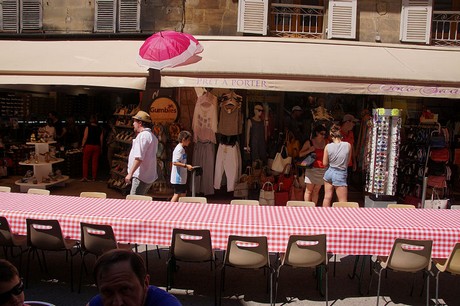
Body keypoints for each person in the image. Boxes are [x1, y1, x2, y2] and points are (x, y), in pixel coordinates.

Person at [86, 249, 181, 306]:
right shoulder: (98, 302)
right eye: (107, 292)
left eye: (125, 289)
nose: (117, 303)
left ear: (145, 283)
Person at [125, 111, 158, 195]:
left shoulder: (143, 136)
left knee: (134, 203)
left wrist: (130, 173)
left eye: (134, 121)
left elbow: (139, 158)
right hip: (147, 175)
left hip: (141, 176)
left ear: (140, 123)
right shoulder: (152, 136)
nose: (133, 124)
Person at [322, 124, 351, 207]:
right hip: (340, 172)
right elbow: (348, 161)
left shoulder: (327, 146)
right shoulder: (348, 145)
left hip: (329, 172)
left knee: (327, 197)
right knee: (343, 201)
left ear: (331, 136)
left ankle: (324, 217)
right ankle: (341, 219)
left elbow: (324, 163)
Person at [298, 124, 328, 205]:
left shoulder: (325, 142)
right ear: (316, 133)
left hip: (322, 169)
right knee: (309, 190)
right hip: (311, 168)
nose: (323, 136)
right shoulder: (309, 142)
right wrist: (309, 150)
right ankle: (307, 208)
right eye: (322, 134)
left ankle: (313, 208)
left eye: (325, 134)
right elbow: (300, 154)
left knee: (316, 191)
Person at [170, 131, 193, 202]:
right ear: (183, 139)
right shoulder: (179, 149)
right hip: (178, 178)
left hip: (182, 177)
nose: (189, 142)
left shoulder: (182, 149)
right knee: (177, 194)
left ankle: (182, 208)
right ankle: (169, 208)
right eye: (188, 140)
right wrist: (186, 166)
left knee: (183, 194)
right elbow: (175, 162)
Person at [81, 115, 103, 182]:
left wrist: (82, 145)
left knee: (85, 162)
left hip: (88, 145)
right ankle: (94, 177)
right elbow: (101, 139)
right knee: (95, 162)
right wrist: (101, 147)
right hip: (97, 146)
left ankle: (85, 177)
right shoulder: (100, 128)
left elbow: (85, 137)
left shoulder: (88, 127)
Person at [340, 114, 359, 179]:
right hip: (339, 164)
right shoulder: (337, 133)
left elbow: (352, 147)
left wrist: (354, 161)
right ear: (347, 122)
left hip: (348, 163)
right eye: (353, 122)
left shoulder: (351, 133)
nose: (354, 125)